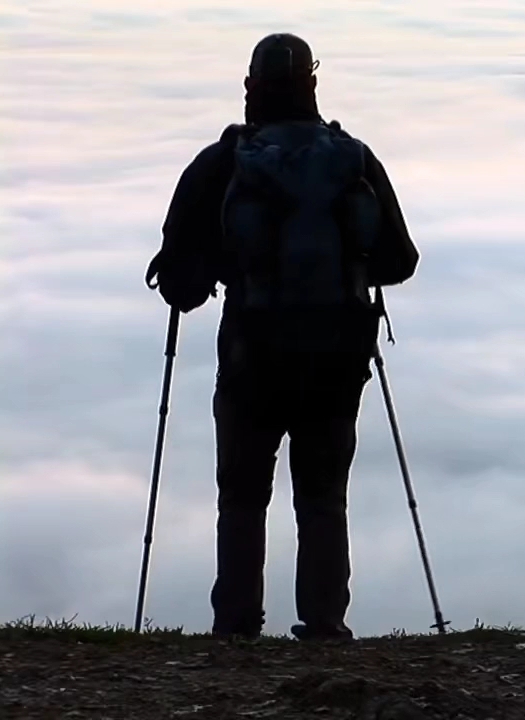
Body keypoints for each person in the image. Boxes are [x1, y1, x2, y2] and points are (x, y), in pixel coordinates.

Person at [145, 33, 419, 641]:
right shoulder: (355, 161)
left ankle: (237, 630)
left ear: (250, 89)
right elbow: (400, 261)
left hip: (251, 357)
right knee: (323, 497)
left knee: (242, 497)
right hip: (336, 358)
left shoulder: (221, 165)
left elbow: (180, 287)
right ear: (313, 89)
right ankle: (325, 626)